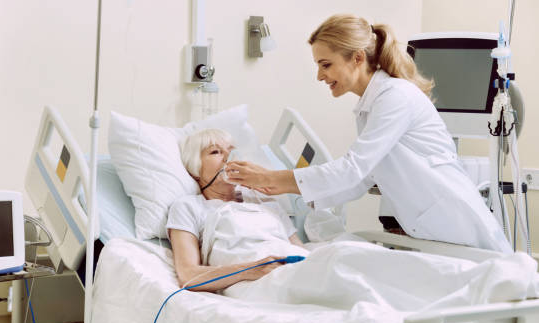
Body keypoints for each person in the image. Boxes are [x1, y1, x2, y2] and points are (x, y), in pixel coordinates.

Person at [225, 14, 512, 254]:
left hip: (457, 226)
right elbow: (362, 179)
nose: (320, 76)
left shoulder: (395, 97)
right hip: (435, 229)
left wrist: (273, 178)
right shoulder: (369, 107)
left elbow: (353, 169)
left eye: (326, 64)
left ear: (357, 58)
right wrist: (287, 192)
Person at [166, 128, 306, 292]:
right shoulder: (189, 207)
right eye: (216, 152)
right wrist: (251, 270)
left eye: (232, 151)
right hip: (255, 284)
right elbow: (189, 276)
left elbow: (300, 250)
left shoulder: (266, 201)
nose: (228, 158)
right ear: (195, 168)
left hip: (297, 267)